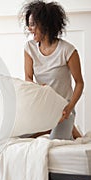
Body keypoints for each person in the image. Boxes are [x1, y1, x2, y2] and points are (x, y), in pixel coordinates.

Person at [19, 0, 84, 140]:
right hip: (42, 106)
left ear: (45, 24)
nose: (29, 29)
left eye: (32, 24)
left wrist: (69, 107)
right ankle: (69, 130)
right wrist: (38, 88)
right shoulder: (29, 48)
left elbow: (79, 83)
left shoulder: (67, 50)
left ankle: (68, 125)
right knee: (19, 136)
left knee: (55, 141)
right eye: (28, 25)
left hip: (63, 108)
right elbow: (28, 78)